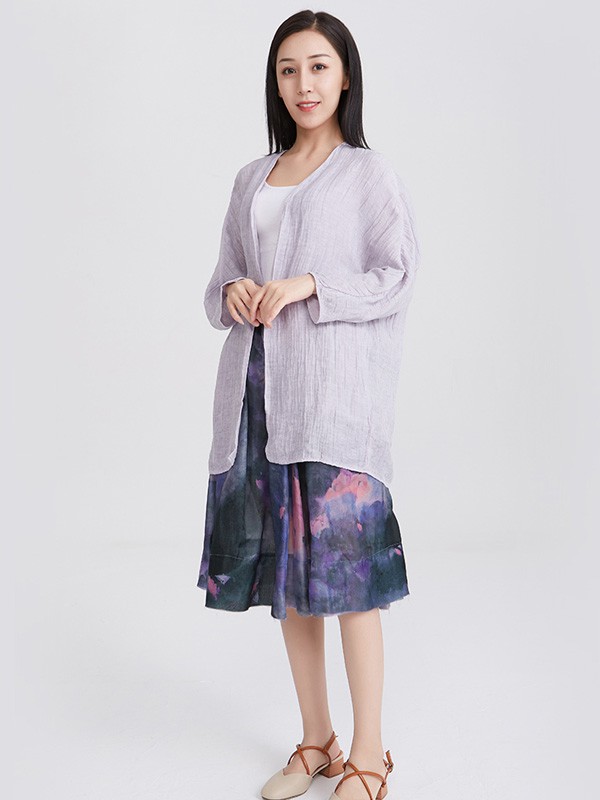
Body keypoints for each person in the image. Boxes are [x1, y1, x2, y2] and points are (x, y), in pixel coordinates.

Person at [197, 10, 420, 800]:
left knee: (351, 580)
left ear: (345, 76)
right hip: (258, 398)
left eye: (319, 66)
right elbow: (217, 286)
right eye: (289, 69)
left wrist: (309, 285)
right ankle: (317, 739)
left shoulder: (368, 175)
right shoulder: (251, 178)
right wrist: (236, 289)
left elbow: (398, 276)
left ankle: (371, 756)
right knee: (289, 582)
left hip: (332, 403)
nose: (304, 84)